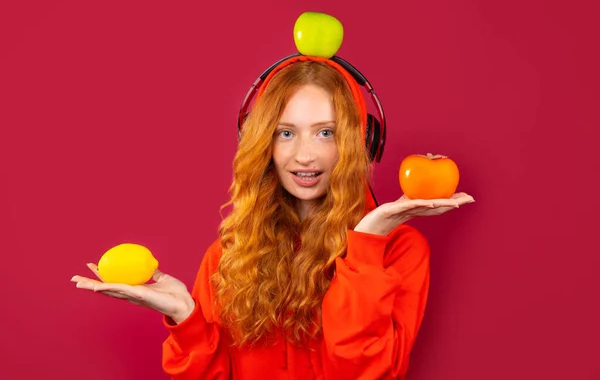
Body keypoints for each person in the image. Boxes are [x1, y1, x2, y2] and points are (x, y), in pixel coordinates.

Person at [71, 54, 474, 379]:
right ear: (260, 141)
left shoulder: (399, 250)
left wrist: (365, 244)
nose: (304, 155)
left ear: (361, 140)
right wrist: (186, 319)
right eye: (286, 132)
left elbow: (365, 372)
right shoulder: (229, 254)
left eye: (326, 132)